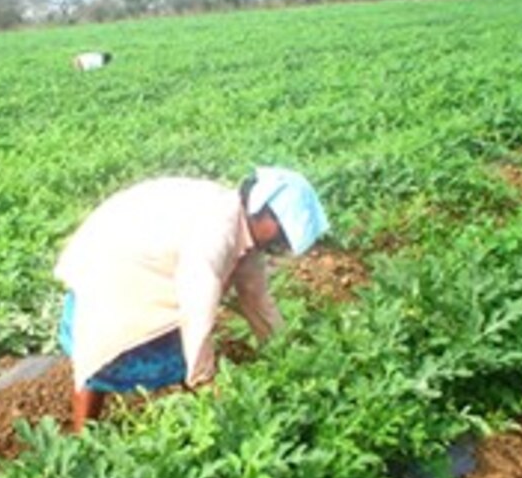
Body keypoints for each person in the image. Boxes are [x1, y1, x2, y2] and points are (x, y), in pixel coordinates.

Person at [55, 167, 329, 432]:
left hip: (145, 258)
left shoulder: (244, 229)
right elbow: (197, 308)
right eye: (282, 231)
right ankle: (83, 438)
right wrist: (203, 379)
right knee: (100, 355)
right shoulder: (216, 233)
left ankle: (205, 414)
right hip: (113, 266)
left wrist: (284, 353)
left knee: (183, 349)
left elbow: (256, 297)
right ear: (262, 211)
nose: (283, 242)